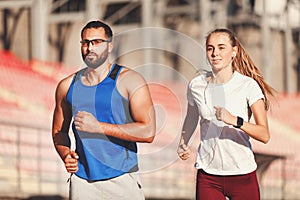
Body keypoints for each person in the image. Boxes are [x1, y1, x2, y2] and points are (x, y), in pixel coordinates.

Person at [52, 20, 156, 200]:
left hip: (122, 179)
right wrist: (65, 154)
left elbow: (148, 131)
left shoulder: (130, 80)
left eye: (97, 42)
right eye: (85, 42)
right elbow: (59, 131)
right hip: (83, 182)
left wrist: (99, 127)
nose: (90, 48)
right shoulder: (67, 86)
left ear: (110, 46)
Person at [177, 28, 276, 200]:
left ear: (234, 51)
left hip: (242, 174)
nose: (215, 53)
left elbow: (264, 134)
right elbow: (192, 117)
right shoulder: (196, 85)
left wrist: (234, 120)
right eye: (210, 48)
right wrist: (183, 142)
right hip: (208, 174)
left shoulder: (248, 86)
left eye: (221, 47)